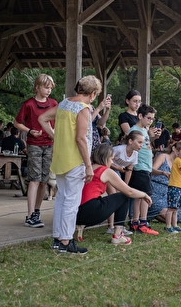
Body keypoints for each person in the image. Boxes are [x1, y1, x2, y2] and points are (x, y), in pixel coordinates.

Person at [38, 75, 102, 254]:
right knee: (71, 202)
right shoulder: (83, 109)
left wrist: (55, 136)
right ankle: (66, 240)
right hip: (76, 160)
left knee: (61, 199)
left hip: (60, 158)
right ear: (93, 93)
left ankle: (58, 238)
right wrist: (89, 165)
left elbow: (42, 118)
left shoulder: (64, 104)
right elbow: (81, 138)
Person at [75, 143, 152, 245]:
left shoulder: (88, 168)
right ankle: (117, 235)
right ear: (106, 158)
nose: (112, 162)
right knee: (123, 196)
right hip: (91, 211)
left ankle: (81, 225)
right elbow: (129, 191)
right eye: (111, 159)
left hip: (76, 213)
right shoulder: (106, 171)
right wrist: (144, 195)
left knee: (104, 198)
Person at [14, 73, 58, 228]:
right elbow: (17, 123)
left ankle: (37, 212)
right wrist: (30, 130)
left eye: (50, 88)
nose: (48, 91)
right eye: (46, 87)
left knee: (45, 181)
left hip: (50, 144)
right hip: (34, 144)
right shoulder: (29, 104)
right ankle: (29, 215)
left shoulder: (53, 103)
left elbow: (57, 122)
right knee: (34, 179)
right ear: (38, 87)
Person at [128, 103, 160, 235]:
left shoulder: (144, 131)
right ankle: (142, 222)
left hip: (145, 167)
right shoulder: (135, 131)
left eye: (152, 119)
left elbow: (146, 147)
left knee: (139, 196)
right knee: (147, 195)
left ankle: (135, 222)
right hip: (140, 167)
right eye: (148, 118)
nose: (150, 121)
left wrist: (152, 137)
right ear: (140, 116)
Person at [105, 130, 145, 235]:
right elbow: (105, 160)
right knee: (113, 196)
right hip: (108, 170)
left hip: (118, 173)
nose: (141, 145)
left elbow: (129, 171)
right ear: (130, 141)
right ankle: (111, 227)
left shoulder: (135, 154)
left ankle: (119, 226)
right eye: (139, 142)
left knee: (121, 196)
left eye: (143, 143)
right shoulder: (118, 149)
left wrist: (125, 187)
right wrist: (117, 168)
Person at [149, 144, 181, 224]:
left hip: (171, 190)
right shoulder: (163, 156)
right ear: (174, 149)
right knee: (170, 214)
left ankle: (173, 219)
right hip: (156, 189)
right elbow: (152, 170)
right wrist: (162, 172)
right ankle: (155, 213)